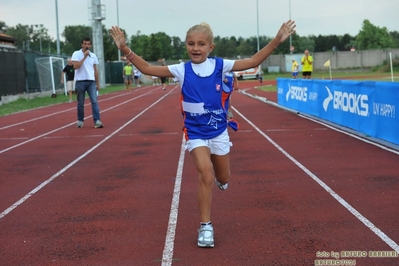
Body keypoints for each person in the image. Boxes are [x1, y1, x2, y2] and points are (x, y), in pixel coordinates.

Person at [110, 19, 296, 248]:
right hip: (194, 132)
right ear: (186, 45)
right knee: (205, 174)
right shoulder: (181, 69)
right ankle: (206, 226)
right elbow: (148, 69)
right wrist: (124, 49)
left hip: (218, 132)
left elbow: (254, 61)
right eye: (190, 44)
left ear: (211, 47)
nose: (195, 48)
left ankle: (221, 179)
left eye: (200, 44)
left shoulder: (221, 66)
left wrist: (277, 40)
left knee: (223, 177)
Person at [71, 37, 103, 128]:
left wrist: (98, 83)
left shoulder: (93, 55)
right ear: (82, 45)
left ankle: (97, 121)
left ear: (90, 45)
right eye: (85, 44)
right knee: (80, 103)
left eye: (88, 44)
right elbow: (75, 66)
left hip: (91, 82)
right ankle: (80, 120)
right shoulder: (76, 54)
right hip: (80, 81)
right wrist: (84, 57)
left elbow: (95, 70)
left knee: (94, 101)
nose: (86, 45)